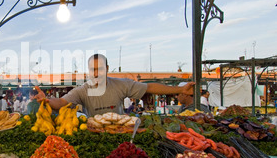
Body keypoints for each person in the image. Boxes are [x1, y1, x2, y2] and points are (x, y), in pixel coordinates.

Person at [34, 53, 195, 117]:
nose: (96, 74)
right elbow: (61, 103)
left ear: (108, 69)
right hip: (94, 138)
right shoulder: (83, 90)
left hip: (119, 135)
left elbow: (150, 87)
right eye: (93, 70)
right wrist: (47, 100)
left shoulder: (120, 85)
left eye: (100, 69)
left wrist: (180, 89)